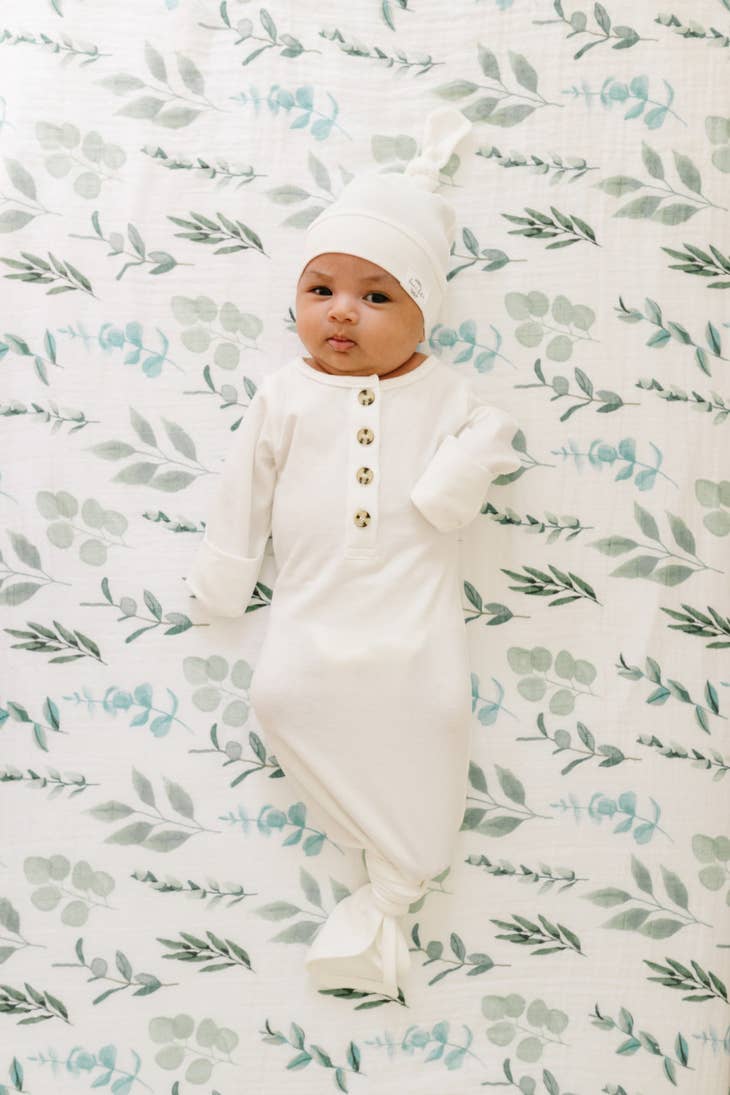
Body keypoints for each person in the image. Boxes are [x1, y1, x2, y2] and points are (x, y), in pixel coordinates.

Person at [184, 106, 523, 999]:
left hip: (415, 624)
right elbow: (240, 488)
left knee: (439, 716)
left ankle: (398, 879)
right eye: (321, 289)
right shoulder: (284, 394)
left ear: (424, 314)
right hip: (313, 609)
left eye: (378, 296)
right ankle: (380, 866)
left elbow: (495, 432)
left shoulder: (449, 394)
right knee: (280, 694)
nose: (342, 312)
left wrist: (450, 484)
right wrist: (224, 579)